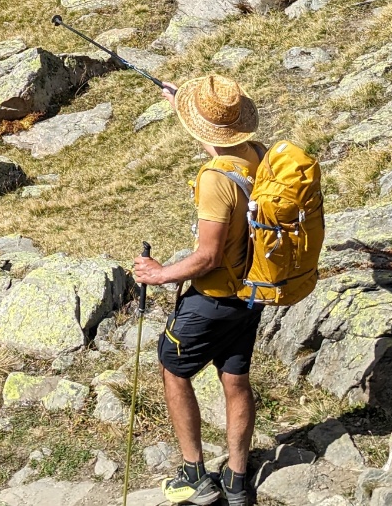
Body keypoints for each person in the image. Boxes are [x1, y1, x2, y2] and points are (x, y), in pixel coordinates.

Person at [133, 73, 265, 506]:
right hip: (252, 293)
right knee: (235, 378)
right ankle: (237, 480)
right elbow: (221, 149)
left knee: (173, 369)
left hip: (210, 300)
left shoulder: (214, 180)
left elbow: (206, 257)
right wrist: (180, 107)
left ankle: (195, 474)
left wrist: (158, 273)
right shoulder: (256, 157)